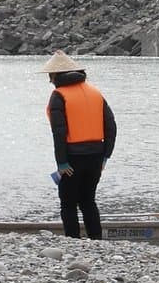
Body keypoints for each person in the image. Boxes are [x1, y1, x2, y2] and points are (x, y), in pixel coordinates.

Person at [44, 49, 116, 240]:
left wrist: (61, 163)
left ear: (55, 76)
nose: (49, 80)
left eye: (50, 76)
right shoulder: (96, 93)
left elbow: (59, 132)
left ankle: (73, 241)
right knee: (88, 201)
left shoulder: (58, 95)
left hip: (73, 157)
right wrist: (105, 157)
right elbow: (111, 127)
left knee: (68, 202)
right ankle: (96, 240)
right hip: (96, 156)